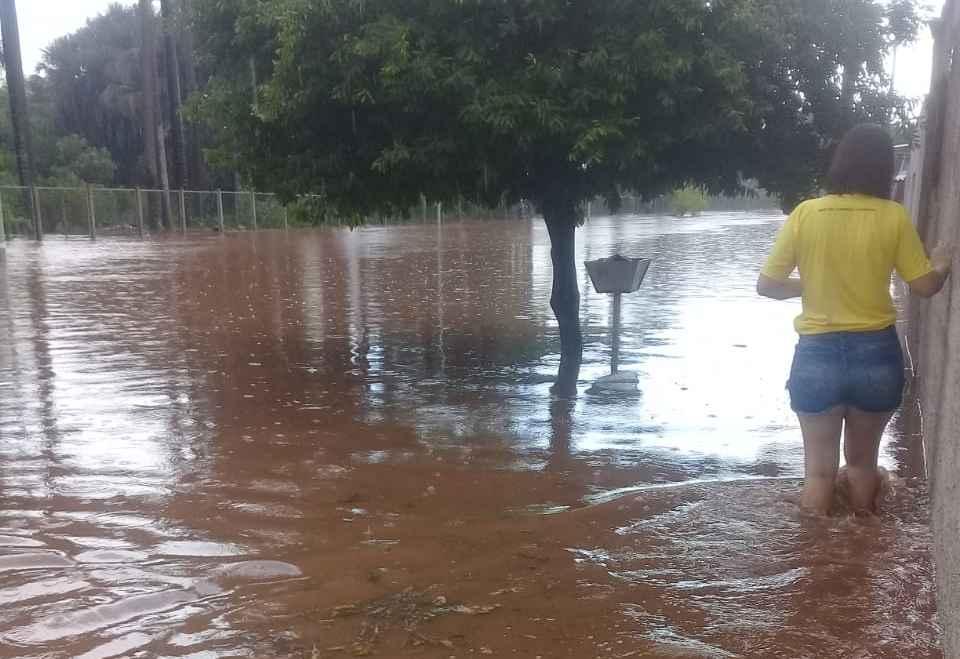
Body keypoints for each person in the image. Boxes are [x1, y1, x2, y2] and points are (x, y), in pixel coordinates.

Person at [757, 123, 954, 516]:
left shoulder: (806, 214)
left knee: (818, 474)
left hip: (816, 357)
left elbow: (768, 285)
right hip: (876, 355)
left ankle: (814, 559)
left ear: (840, 163)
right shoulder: (893, 217)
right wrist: (944, 262)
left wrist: (811, 285)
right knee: (863, 464)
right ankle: (863, 546)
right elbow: (925, 286)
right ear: (884, 168)